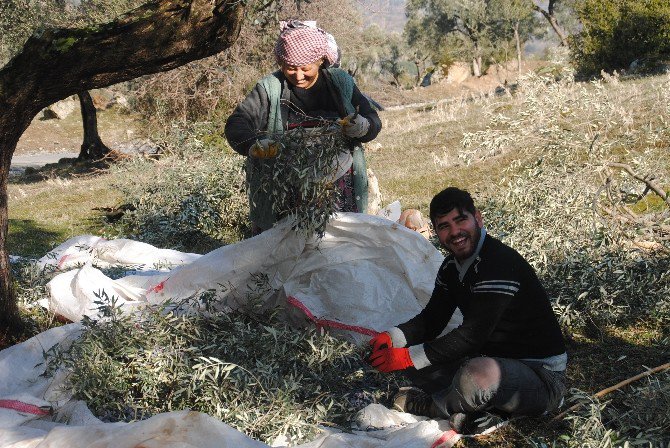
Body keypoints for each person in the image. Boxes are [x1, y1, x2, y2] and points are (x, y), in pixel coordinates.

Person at [367, 187, 567, 434]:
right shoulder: (451, 266)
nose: (455, 233)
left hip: (540, 376)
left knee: (477, 374)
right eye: (444, 226)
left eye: (461, 220)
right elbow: (432, 319)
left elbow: (472, 336)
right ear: (436, 232)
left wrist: (407, 356)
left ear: (478, 218)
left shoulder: (498, 263)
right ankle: (481, 410)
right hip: (490, 358)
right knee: (418, 362)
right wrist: (392, 338)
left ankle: (433, 406)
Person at [225, 20, 382, 234]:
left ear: (320, 60)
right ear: (280, 62)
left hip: (337, 187)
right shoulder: (270, 87)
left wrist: (363, 126)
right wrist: (254, 145)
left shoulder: (341, 82)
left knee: (338, 246)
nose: (298, 76)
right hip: (285, 190)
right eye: (289, 68)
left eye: (305, 68)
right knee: (287, 250)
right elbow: (237, 123)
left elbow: (372, 119)